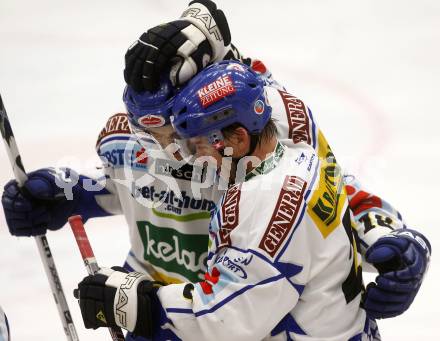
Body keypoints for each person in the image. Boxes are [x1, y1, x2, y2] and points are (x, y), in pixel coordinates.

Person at [0, 1, 430, 338]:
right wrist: (74, 192)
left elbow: (331, 196)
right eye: (144, 126)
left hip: (233, 308)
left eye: (171, 128)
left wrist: (390, 235)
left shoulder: (276, 120)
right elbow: (138, 179)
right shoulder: (145, 136)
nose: (162, 145)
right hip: (168, 310)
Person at [73, 62, 431, 340]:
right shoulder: (296, 155)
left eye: (195, 145)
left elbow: (225, 320)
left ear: (239, 139)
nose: (186, 157)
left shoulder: (262, 203)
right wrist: (69, 190)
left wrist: (136, 303)